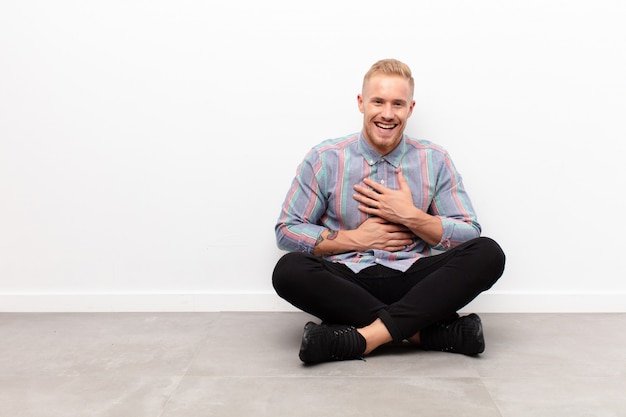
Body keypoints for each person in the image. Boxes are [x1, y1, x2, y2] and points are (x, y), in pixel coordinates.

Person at [272, 58, 505, 364]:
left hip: (415, 278)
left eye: (398, 104)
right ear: (361, 103)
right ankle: (427, 332)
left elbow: (468, 232)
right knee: (289, 270)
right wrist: (357, 239)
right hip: (348, 280)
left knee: (488, 253)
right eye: (378, 102)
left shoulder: (434, 159)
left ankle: (363, 338)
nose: (387, 113)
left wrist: (411, 216)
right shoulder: (324, 158)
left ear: (410, 108)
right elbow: (287, 229)